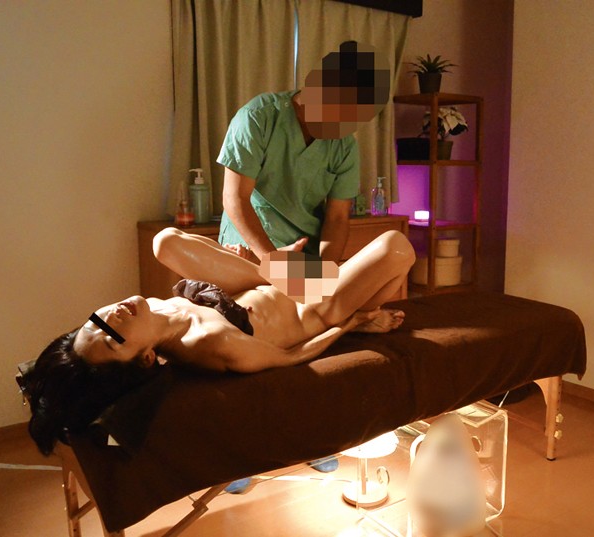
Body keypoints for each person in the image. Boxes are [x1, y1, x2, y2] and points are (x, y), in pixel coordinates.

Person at [22, 228, 415, 456]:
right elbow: (289, 357)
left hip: (280, 280)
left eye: (94, 322)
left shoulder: (152, 309)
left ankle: (285, 269)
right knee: (397, 249)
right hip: (313, 306)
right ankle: (350, 302)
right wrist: (351, 325)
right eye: (112, 340)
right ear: (145, 359)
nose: (111, 318)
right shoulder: (209, 343)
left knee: (165, 242)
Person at [218, 40, 390, 264]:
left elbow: (337, 218)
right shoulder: (259, 117)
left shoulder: (344, 146)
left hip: (304, 256)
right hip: (249, 253)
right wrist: (273, 264)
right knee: (173, 241)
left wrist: (325, 271)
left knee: (395, 249)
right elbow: (235, 198)